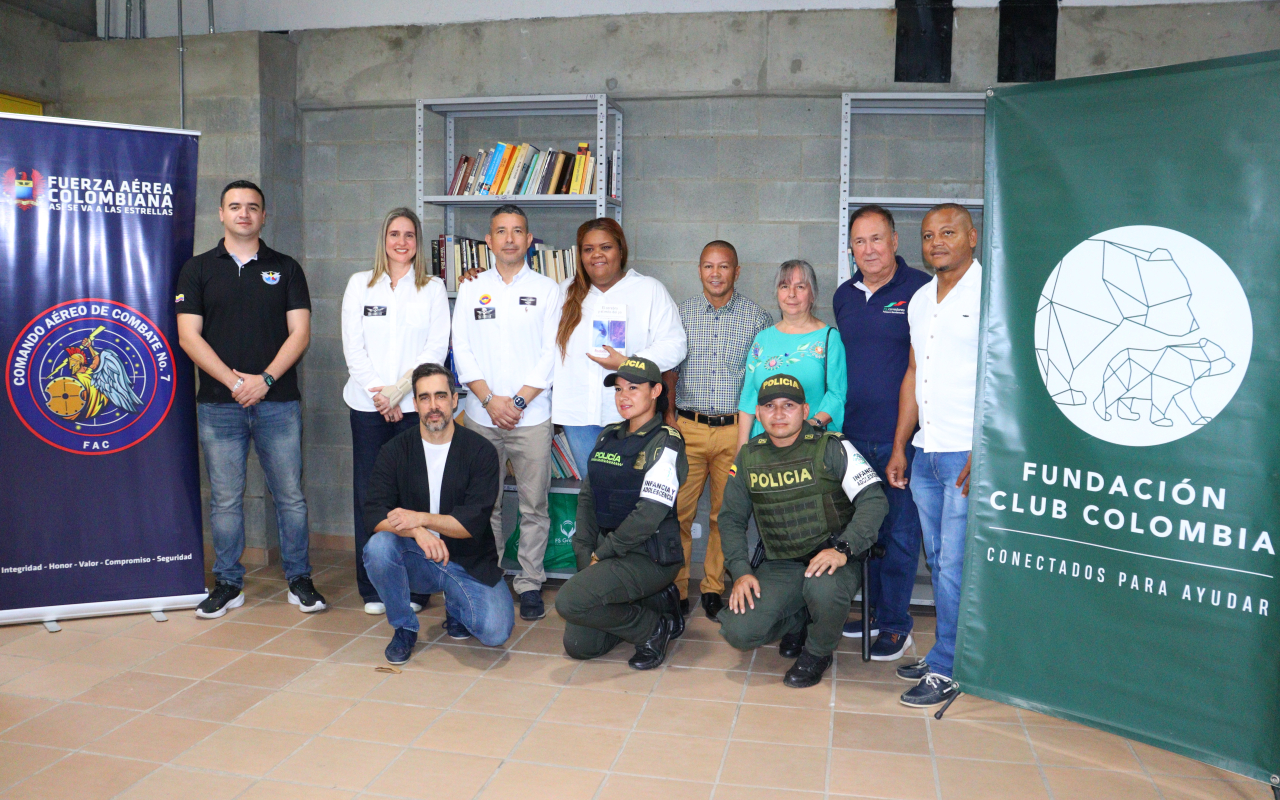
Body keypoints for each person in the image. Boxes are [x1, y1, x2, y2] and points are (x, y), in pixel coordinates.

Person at [176, 180, 325, 619]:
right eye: (235, 207)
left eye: (253, 207)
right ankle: (227, 583)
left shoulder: (287, 268)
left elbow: (301, 333)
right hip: (219, 406)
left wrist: (264, 379)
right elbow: (189, 336)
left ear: (264, 216)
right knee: (224, 499)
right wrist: (235, 383)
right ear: (220, 214)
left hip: (278, 402)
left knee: (291, 497)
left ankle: (299, 580)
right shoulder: (197, 269)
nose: (244, 214)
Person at [718, 375, 888, 688]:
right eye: (769, 406)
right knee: (738, 631)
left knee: (822, 589)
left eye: (788, 405)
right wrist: (740, 571)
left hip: (834, 556)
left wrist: (843, 549)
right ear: (758, 412)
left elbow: (874, 502)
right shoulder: (748, 457)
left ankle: (818, 652)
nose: (778, 413)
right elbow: (729, 519)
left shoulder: (833, 446)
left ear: (804, 409)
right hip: (782, 561)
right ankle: (799, 619)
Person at [889, 203, 982, 708]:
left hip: (968, 452)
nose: (936, 242)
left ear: (973, 236)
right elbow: (913, 375)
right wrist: (903, 443)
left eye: (948, 232)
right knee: (942, 557)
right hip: (926, 450)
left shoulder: (991, 293)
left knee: (954, 565)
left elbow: (1007, 375)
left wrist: (988, 447)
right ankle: (950, 647)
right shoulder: (921, 299)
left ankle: (949, 665)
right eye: (928, 236)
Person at [452, 204, 563, 622]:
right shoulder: (470, 287)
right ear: (489, 240)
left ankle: (530, 583)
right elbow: (460, 346)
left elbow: (551, 353)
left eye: (518, 231)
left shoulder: (548, 290)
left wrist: (516, 402)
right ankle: (491, 577)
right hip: (481, 415)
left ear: (529, 240)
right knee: (486, 504)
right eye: (502, 231)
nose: (510, 238)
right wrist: (488, 400)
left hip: (531, 417)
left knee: (535, 504)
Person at [362, 362, 515, 664]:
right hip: (417, 557)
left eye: (441, 396)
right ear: (415, 404)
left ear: (455, 400)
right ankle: (404, 627)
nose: (434, 406)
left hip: (468, 562)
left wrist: (421, 519)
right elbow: (374, 515)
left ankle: (456, 607)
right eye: (425, 398)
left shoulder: (481, 451)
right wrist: (416, 532)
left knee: (496, 632)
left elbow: (470, 524)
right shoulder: (395, 451)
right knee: (378, 547)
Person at [833, 205, 930, 660]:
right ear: (851, 248)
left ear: (894, 241)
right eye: (859, 241)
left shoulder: (921, 290)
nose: (868, 249)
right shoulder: (843, 296)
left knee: (900, 534)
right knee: (863, 532)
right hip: (851, 439)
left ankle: (895, 624)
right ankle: (872, 612)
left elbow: (921, 368)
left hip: (901, 441)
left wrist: (900, 444)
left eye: (876, 239)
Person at [342, 207, 449, 616]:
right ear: (383, 240)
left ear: (418, 243)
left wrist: (399, 392)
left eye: (409, 235)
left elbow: (435, 349)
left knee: (414, 496)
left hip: (414, 409)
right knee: (370, 495)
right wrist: (378, 395)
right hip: (367, 407)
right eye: (394, 234)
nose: (401, 242)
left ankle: (417, 587)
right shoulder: (359, 285)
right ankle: (372, 587)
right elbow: (354, 347)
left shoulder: (433, 288)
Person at [554, 357, 688, 671]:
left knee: (569, 601)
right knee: (580, 646)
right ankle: (655, 603)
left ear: (656, 391)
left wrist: (604, 553)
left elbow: (648, 515)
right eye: (618, 389)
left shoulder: (667, 442)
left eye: (633, 388)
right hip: (608, 551)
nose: (623, 396)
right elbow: (588, 498)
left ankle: (653, 629)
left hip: (649, 556)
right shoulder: (607, 436)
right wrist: (584, 551)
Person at [663, 240, 771, 620]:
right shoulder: (682, 312)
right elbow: (670, 367)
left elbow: (762, 378)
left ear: (736, 272)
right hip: (688, 427)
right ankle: (675, 587)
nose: (715, 273)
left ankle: (713, 586)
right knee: (679, 512)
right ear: (699, 270)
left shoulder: (758, 318)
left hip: (734, 432)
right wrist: (669, 414)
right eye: (708, 266)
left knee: (725, 516)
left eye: (723, 267)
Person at [540, 218, 687, 474]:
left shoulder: (649, 290)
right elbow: (541, 346)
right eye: (588, 249)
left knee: (631, 493)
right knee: (595, 492)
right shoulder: (563, 293)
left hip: (632, 415)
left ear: (621, 250)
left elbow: (675, 346)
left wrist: (628, 363)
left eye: (605, 247)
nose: (596, 254)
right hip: (579, 417)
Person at [738, 260, 847, 449]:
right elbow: (749, 397)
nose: (791, 294)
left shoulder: (829, 338)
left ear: (812, 294)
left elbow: (837, 396)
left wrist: (809, 427)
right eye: (785, 286)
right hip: (762, 447)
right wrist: (741, 448)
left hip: (808, 446)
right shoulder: (762, 339)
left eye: (800, 287)